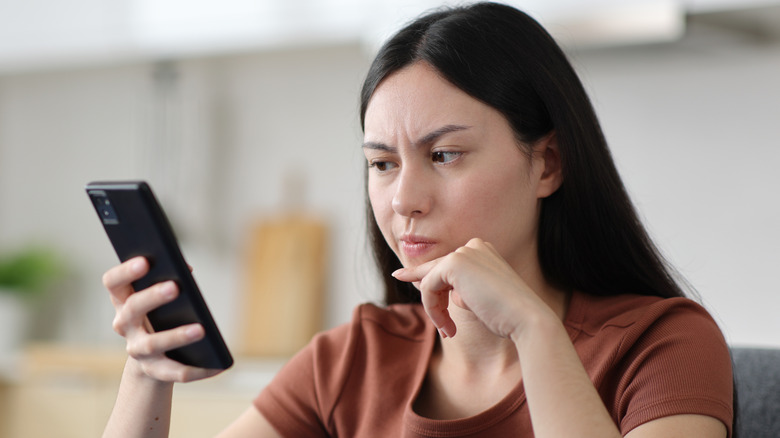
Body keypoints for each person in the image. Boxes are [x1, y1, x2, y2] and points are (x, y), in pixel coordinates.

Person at [101, 2, 734, 437]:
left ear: (546, 164)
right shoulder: (354, 359)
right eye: (381, 164)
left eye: (445, 155)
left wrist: (534, 331)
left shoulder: (662, 346)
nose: (404, 198)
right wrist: (147, 373)